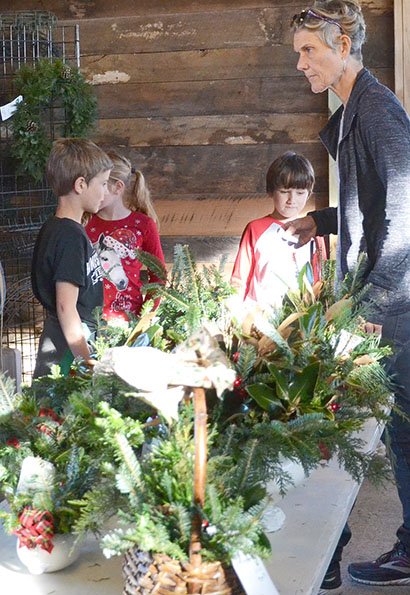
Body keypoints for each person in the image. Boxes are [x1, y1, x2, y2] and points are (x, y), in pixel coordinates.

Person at [290, 0, 410, 590]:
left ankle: (337, 559)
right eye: (297, 54)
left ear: (342, 41)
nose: (301, 64)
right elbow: (375, 206)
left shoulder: (380, 110)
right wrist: (328, 220)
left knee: (383, 429)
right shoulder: (356, 107)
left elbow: (406, 214)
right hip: (383, 301)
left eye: (308, 50)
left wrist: (368, 304)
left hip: (394, 308)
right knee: (395, 430)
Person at [31, 138, 112, 378]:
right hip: (66, 345)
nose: (106, 192)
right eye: (103, 184)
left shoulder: (61, 228)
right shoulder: (69, 236)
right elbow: (66, 307)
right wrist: (86, 362)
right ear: (80, 184)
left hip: (68, 335)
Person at [230, 151, 326, 312]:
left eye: (300, 193)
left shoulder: (314, 233)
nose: (291, 200)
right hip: (259, 319)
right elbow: (240, 278)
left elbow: (319, 281)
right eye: (284, 192)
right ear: (270, 191)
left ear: (309, 194)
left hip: (300, 320)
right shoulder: (256, 229)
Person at [86, 151, 165, 322]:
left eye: (101, 184)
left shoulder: (143, 225)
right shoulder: (86, 223)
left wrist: (146, 316)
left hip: (130, 319)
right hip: (91, 321)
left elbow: (158, 274)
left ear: (117, 187)